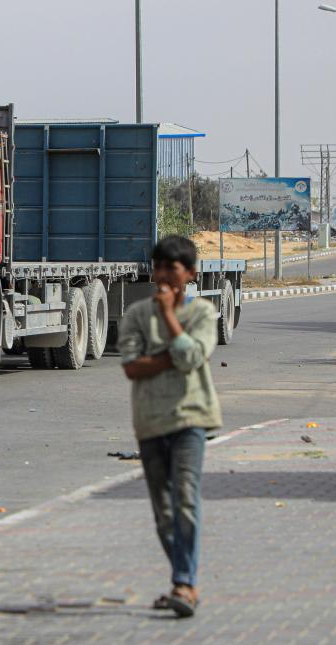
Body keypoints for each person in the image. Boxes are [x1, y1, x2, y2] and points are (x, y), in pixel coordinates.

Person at [118, 235, 222, 619]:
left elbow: (195, 355)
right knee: (163, 510)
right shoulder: (134, 315)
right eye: (158, 266)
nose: (162, 275)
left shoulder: (204, 314)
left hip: (191, 417)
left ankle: (183, 582)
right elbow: (131, 366)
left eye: (171, 268)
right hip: (149, 421)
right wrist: (174, 357)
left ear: (190, 274)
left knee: (185, 500)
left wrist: (167, 322)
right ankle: (185, 582)